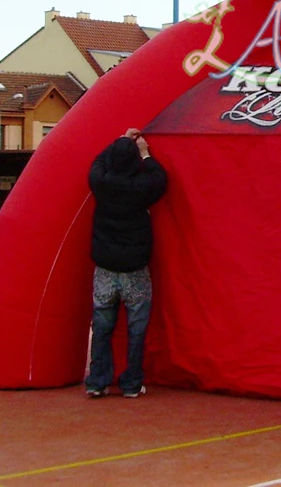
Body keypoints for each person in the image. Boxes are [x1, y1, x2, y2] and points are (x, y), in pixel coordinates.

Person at [84, 127, 167, 398]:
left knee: (102, 327)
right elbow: (160, 178)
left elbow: (97, 162)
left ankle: (98, 381)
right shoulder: (141, 188)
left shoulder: (101, 183)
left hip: (105, 269)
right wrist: (144, 153)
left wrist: (119, 140)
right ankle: (131, 383)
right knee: (137, 329)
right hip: (135, 269)